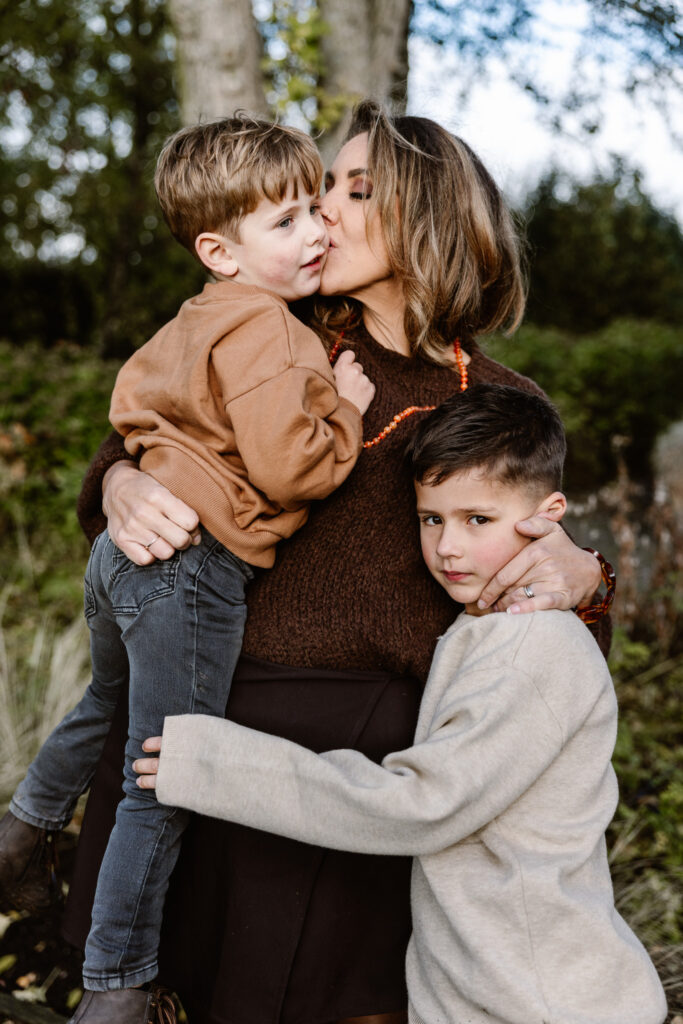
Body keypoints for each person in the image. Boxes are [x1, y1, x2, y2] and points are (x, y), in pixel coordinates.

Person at [62, 101, 612, 1024]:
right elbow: (147, 432)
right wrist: (118, 483)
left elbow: (536, 569)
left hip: (366, 773)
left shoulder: (504, 401)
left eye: (355, 190)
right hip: (212, 729)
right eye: (321, 187)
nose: (322, 211)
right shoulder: (274, 331)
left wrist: (588, 574)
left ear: (429, 214)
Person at [134, 383, 666, 1024]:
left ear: (549, 516)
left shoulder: (536, 644)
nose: (448, 547)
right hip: (483, 991)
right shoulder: (484, 627)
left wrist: (216, 765)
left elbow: (422, 805)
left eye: (478, 520)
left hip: (546, 997)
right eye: (431, 518)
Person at [0, 116, 375, 1024]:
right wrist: (347, 413)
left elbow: (131, 410)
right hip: (192, 567)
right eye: (285, 222)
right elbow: (292, 467)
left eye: (314, 211)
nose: (318, 230)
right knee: (165, 777)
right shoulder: (277, 334)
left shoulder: (196, 317)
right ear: (220, 249)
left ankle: (22, 832)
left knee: (105, 701)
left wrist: (135, 466)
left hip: (118, 562)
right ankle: (118, 984)